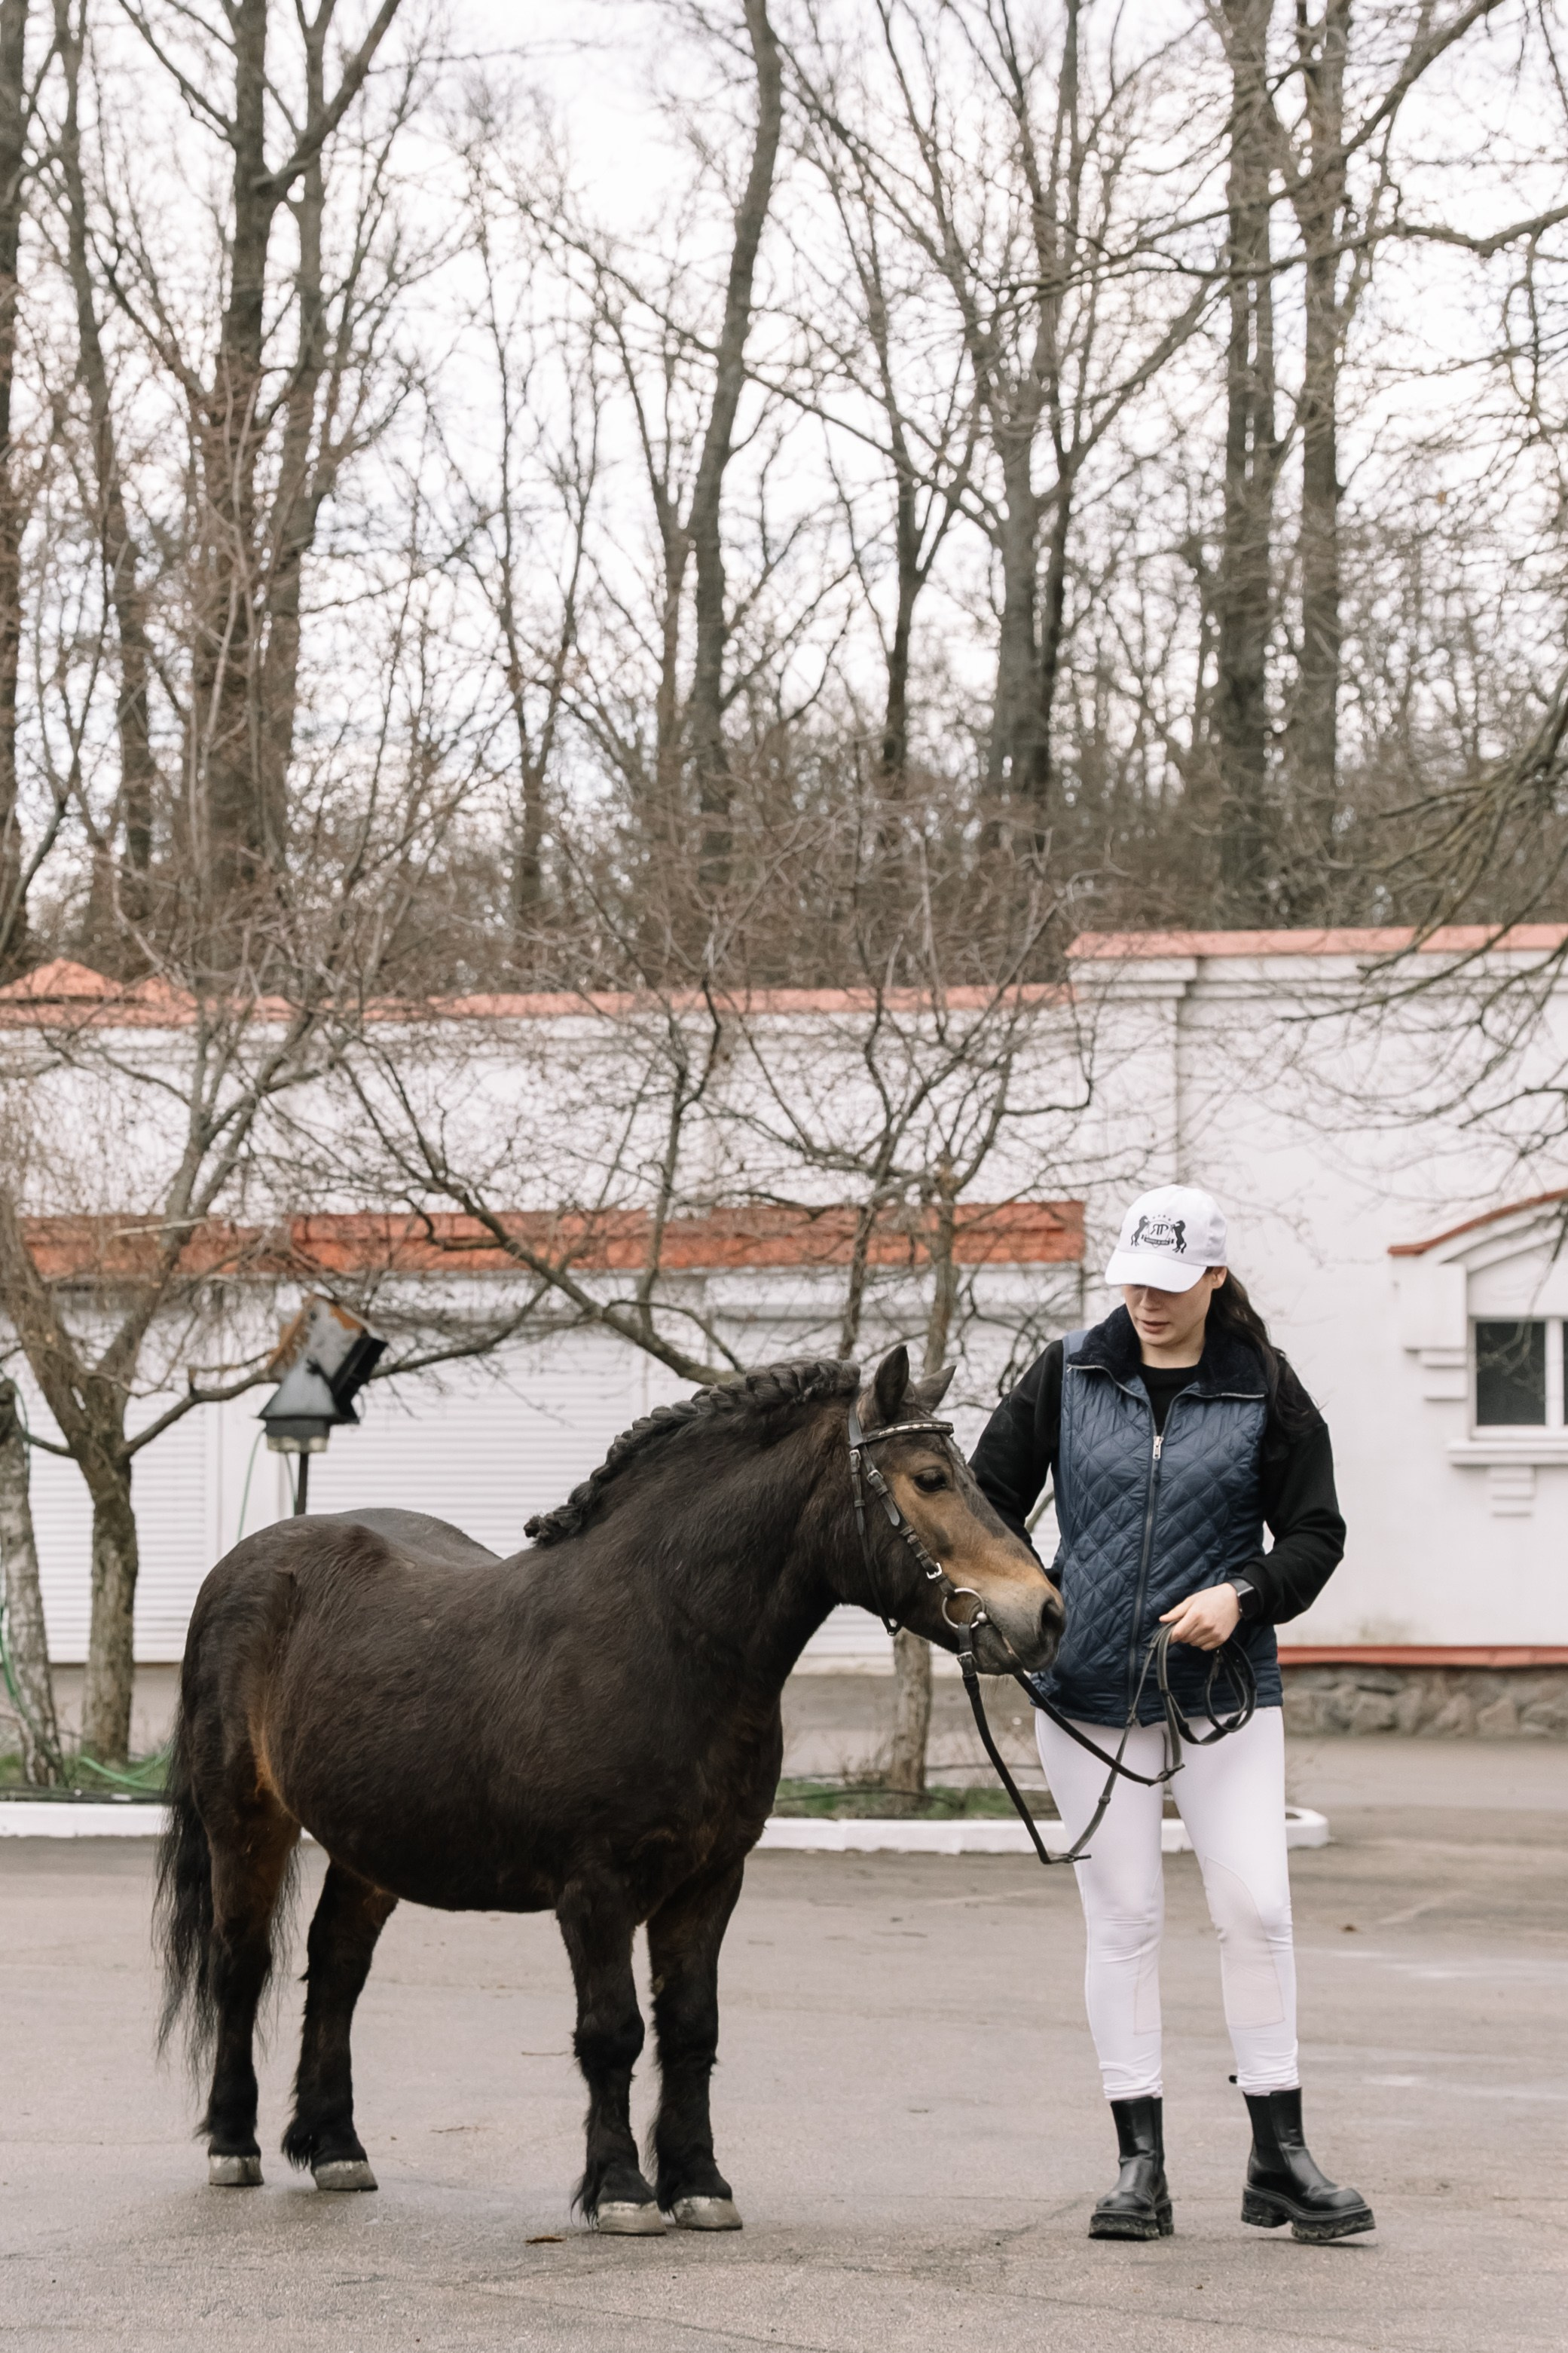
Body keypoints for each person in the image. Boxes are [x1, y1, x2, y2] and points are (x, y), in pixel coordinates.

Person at [970, 1184, 1374, 2245]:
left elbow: (1315, 1532)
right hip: (1086, 1695)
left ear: (1211, 1279)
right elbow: (981, 1508)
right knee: (1124, 1921)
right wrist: (1021, 1609)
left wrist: (1240, 1593)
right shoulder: (1065, 1371)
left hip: (1223, 1697)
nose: (1143, 1302)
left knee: (1256, 1912)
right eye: (1130, 1282)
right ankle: (1137, 2168)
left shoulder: (1263, 1388)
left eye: (1165, 1283)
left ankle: (1278, 2156)